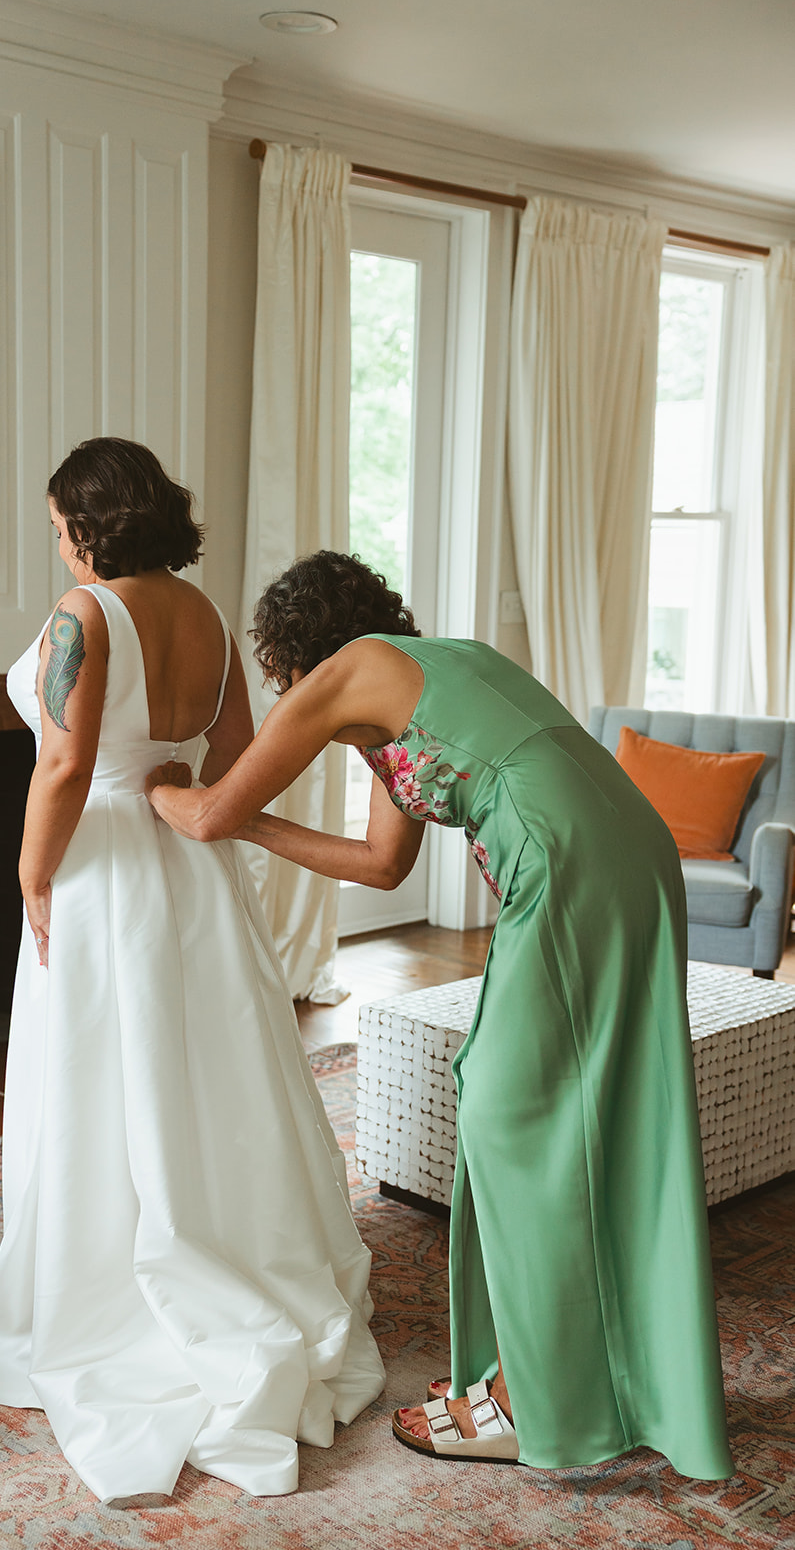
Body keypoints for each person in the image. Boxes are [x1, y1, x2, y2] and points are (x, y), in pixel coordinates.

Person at [146, 548, 734, 1481]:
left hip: (566, 860)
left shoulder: (339, 675)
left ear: (291, 657)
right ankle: (594, 1378)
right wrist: (248, 821)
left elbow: (211, 810)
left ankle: (531, 1400)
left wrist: (154, 792)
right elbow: (384, 867)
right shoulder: (431, 672)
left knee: (510, 1121)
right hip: (623, 843)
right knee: (580, 1113)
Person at [0, 443, 385, 1504]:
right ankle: (225, 1243)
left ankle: (110, 1286)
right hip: (186, 862)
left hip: (97, 866)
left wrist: (30, 874)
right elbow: (235, 758)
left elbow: (61, 761)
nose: (55, 540)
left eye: (58, 523)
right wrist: (171, 790)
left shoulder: (83, 616)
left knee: (102, 1068)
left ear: (91, 521)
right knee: (201, 1063)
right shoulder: (199, 610)